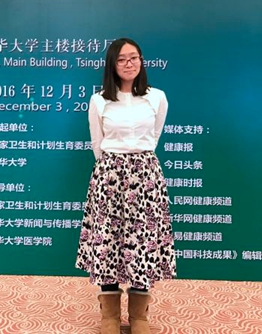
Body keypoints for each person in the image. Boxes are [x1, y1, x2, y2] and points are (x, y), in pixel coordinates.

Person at [75, 38, 176, 334]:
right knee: (108, 241)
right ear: (112, 65)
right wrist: (114, 169)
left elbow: (154, 136)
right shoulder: (99, 100)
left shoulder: (157, 97)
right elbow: (97, 143)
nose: (129, 63)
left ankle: (139, 315)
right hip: (109, 176)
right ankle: (109, 315)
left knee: (143, 240)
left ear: (141, 61)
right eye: (121, 59)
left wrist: (136, 162)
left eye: (134, 57)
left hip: (145, 175)